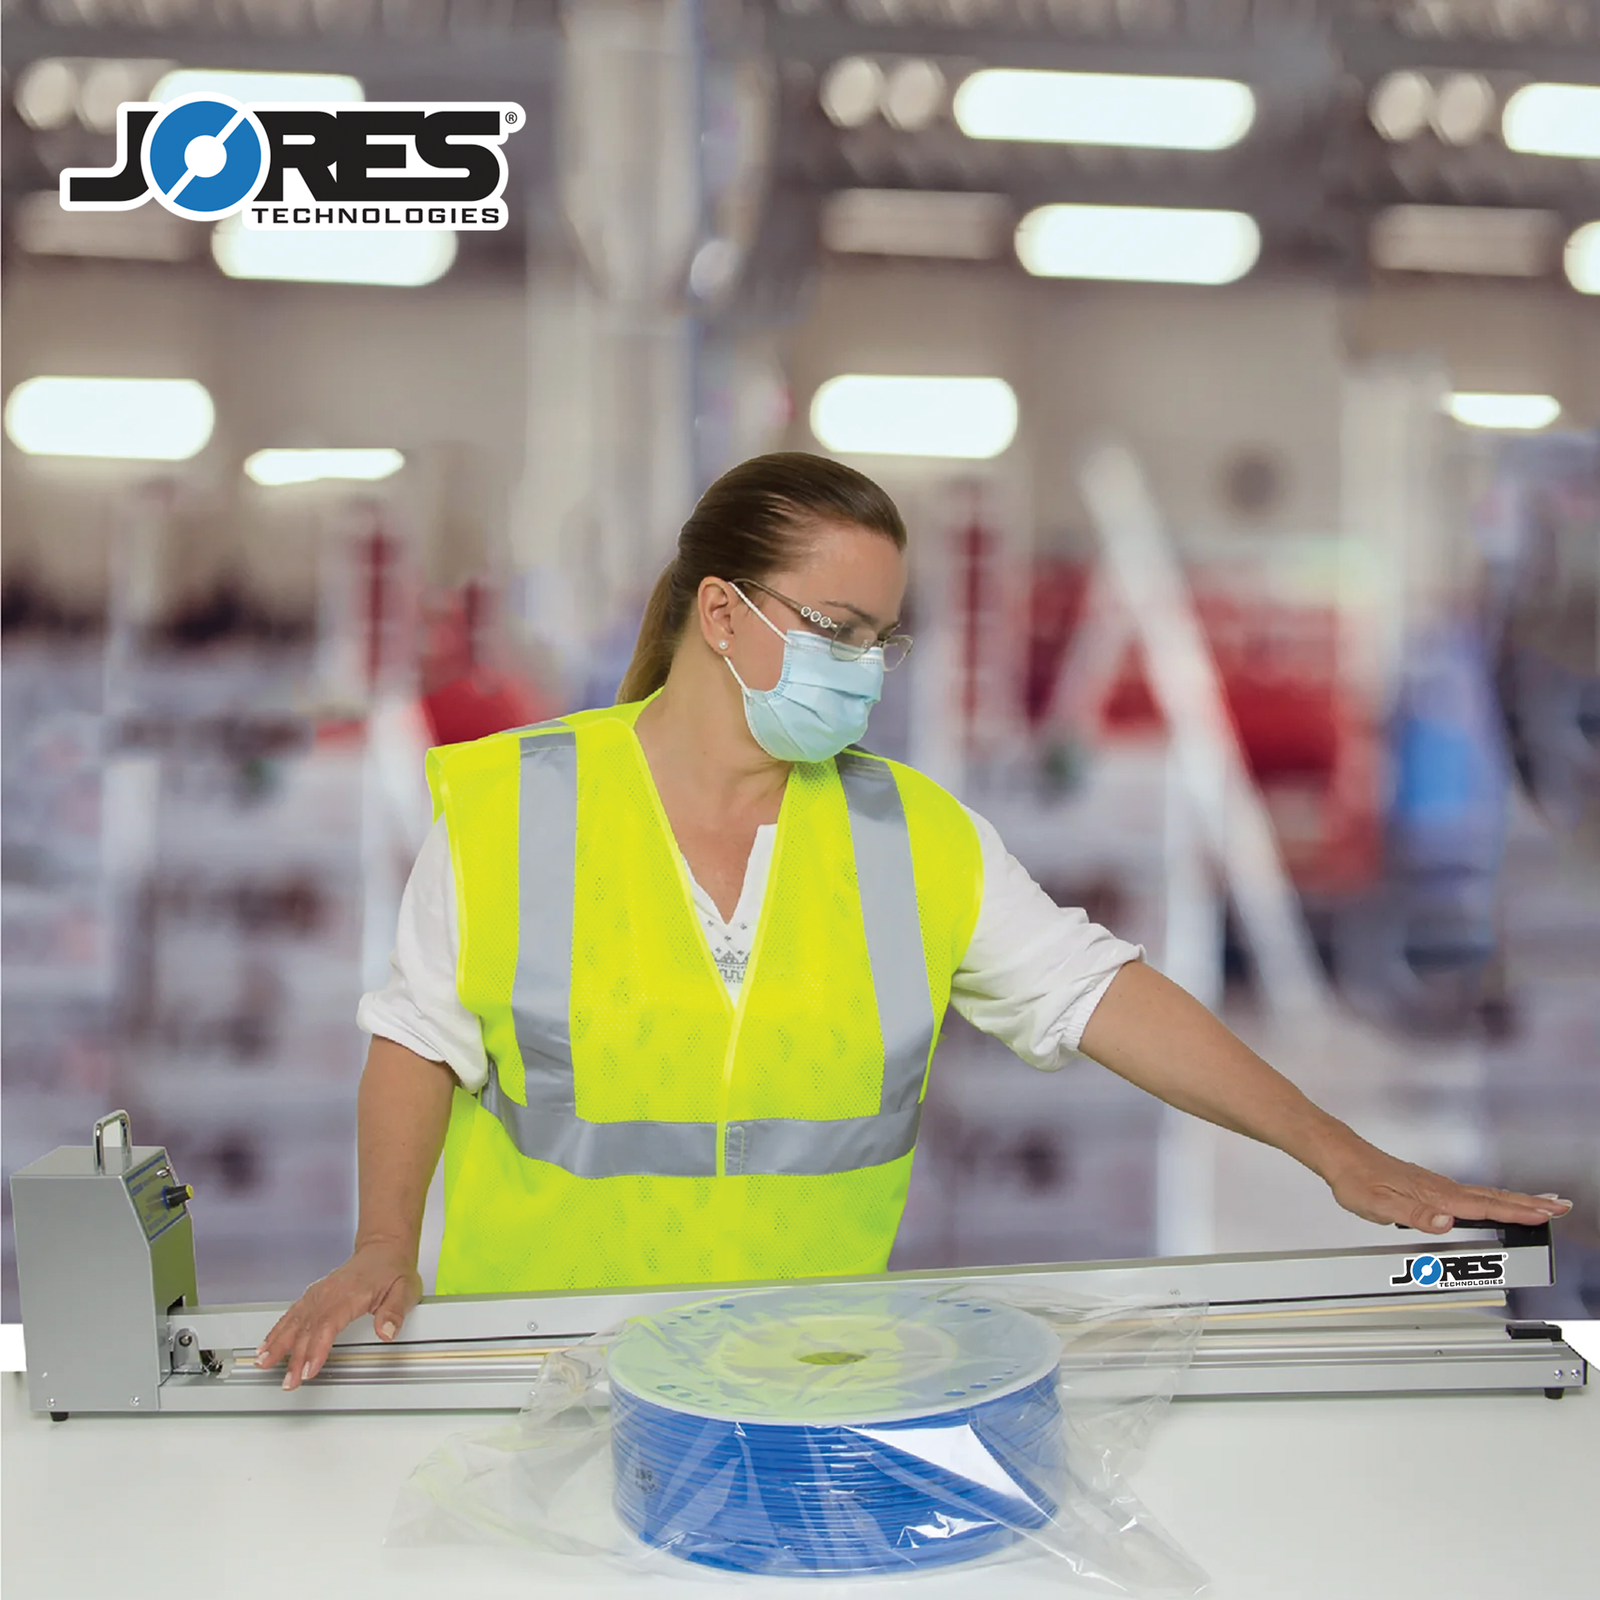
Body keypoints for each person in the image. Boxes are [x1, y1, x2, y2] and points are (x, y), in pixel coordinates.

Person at [258, 452, 1571, 1391]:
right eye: (835, 629)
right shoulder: (513, 806)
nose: (865, 670)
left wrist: (1335, 1151)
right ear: (722, 615)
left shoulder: (910, 832)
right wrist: (383, 1245)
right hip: (533, 1376)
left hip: (799, 1384)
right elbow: (418, 1036)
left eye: (880, 639)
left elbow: (1093, 990)